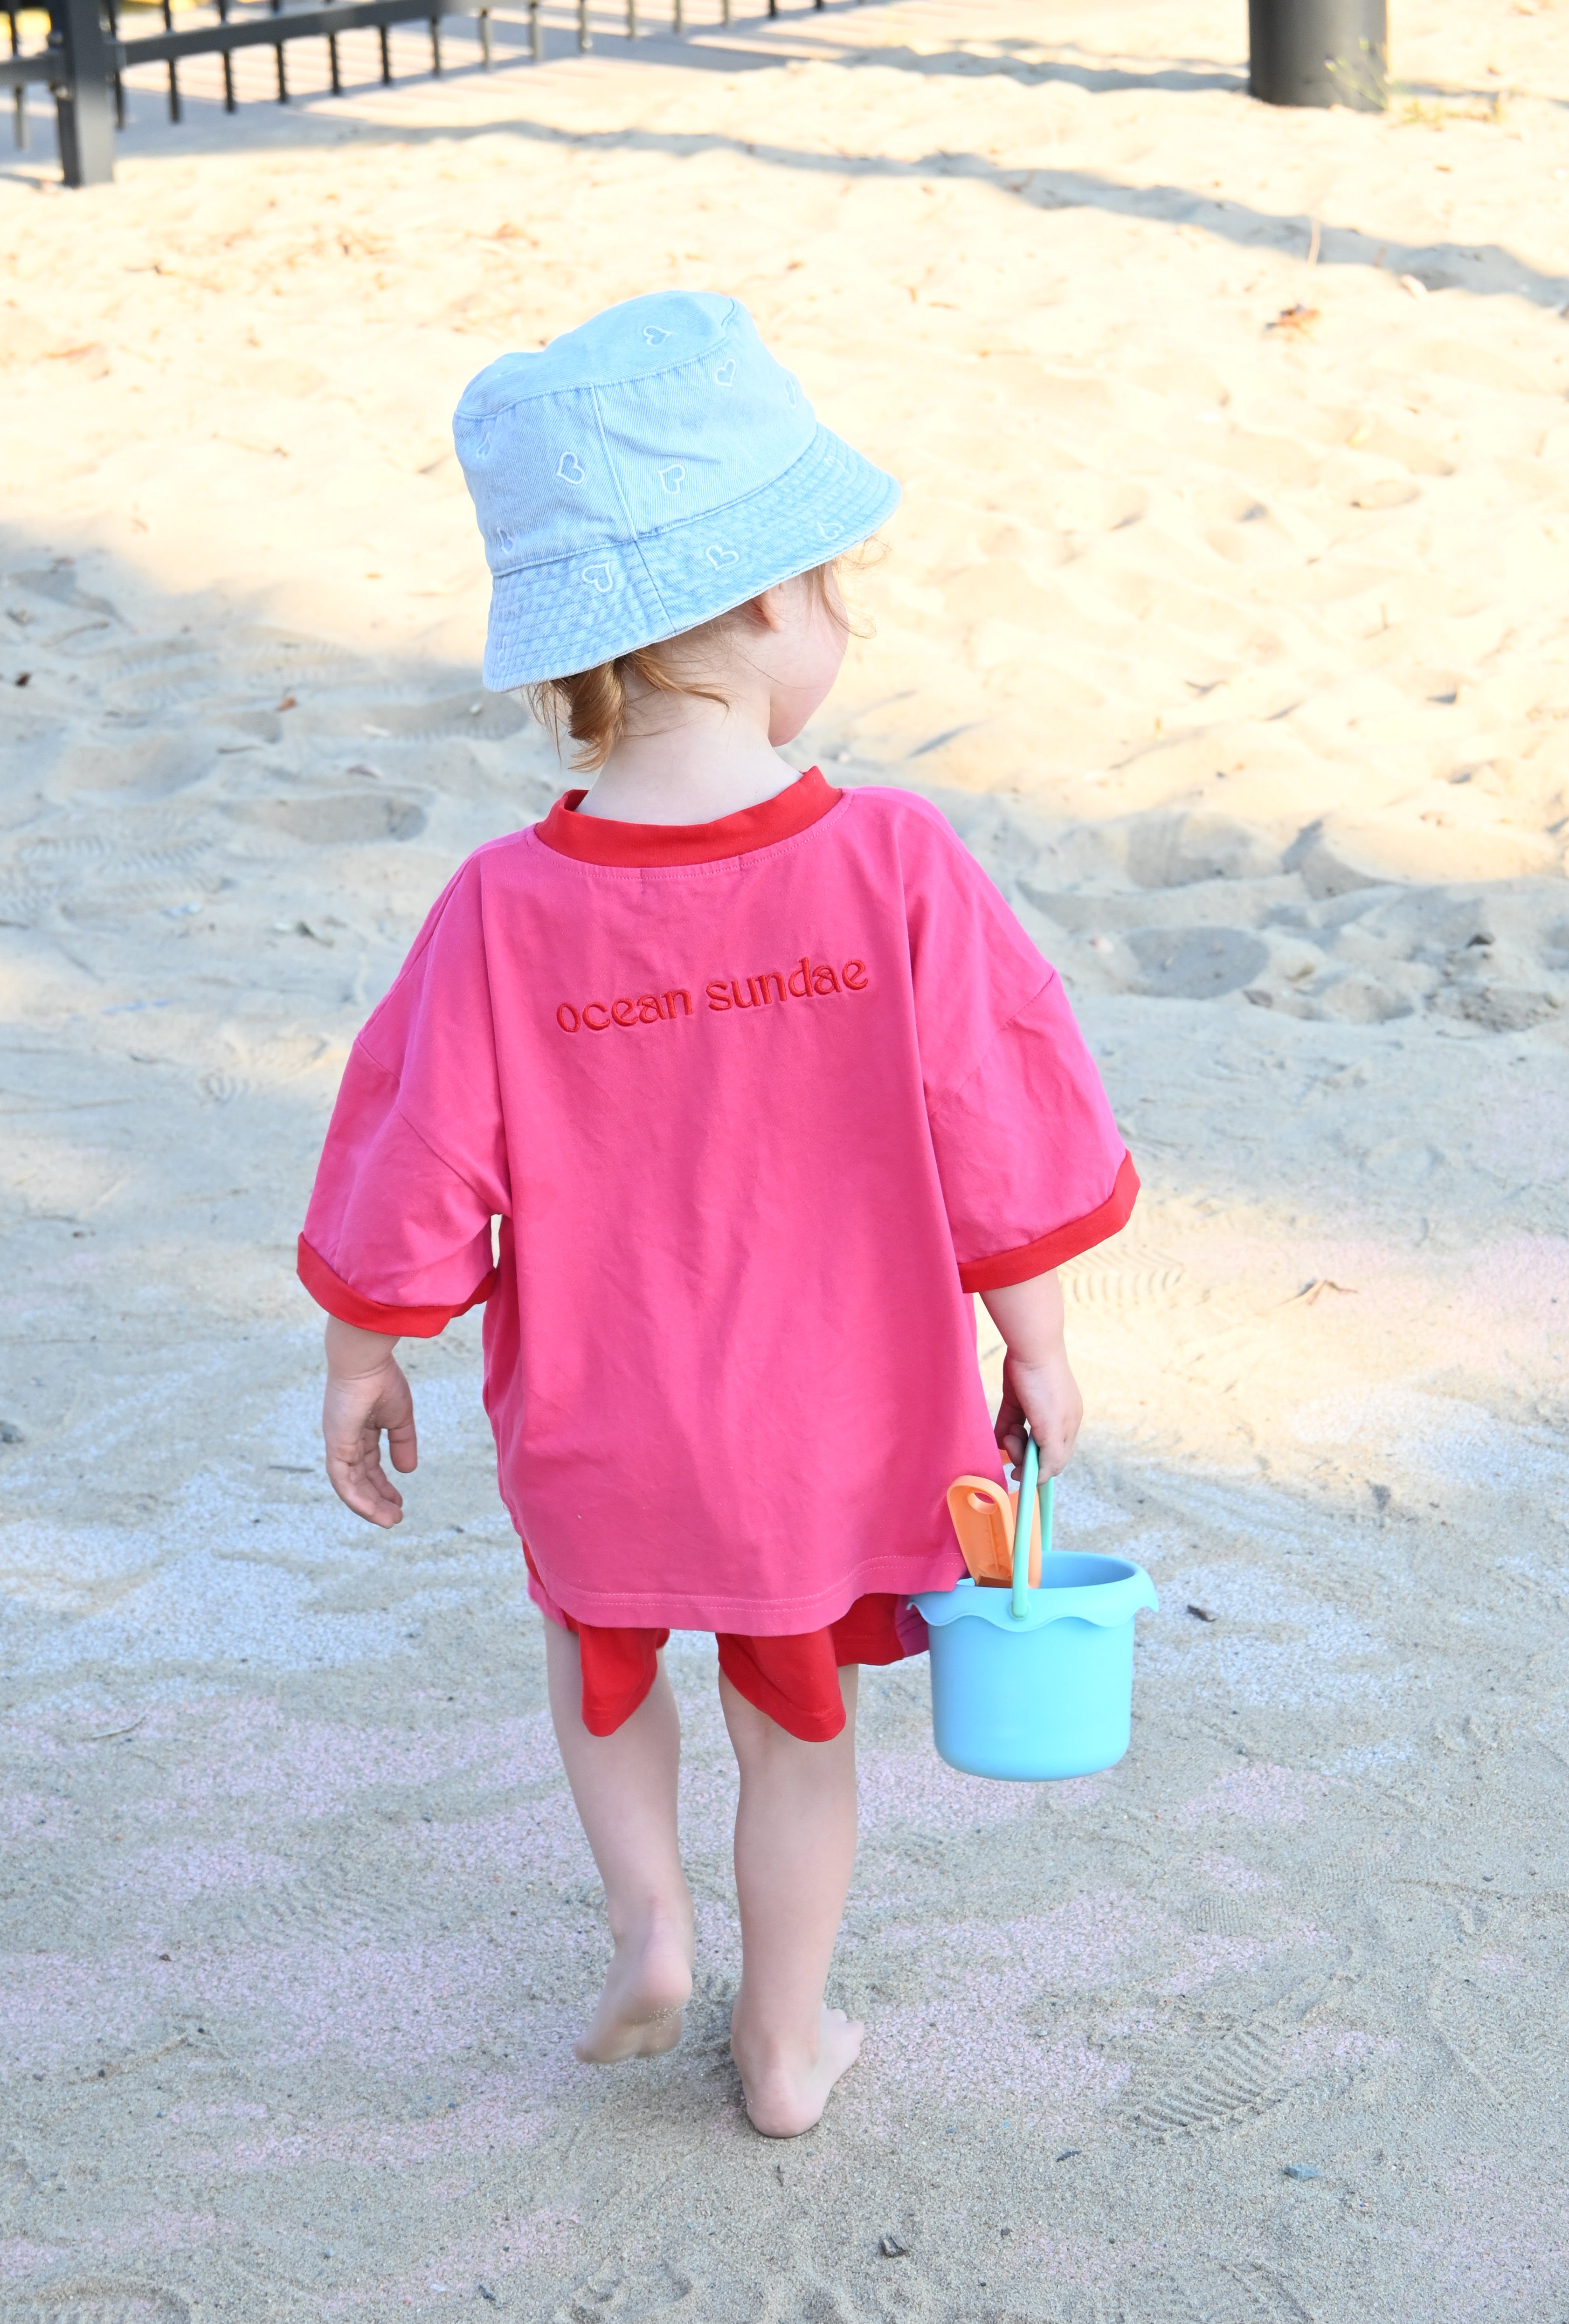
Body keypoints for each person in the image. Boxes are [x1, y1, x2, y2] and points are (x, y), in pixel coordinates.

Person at [299, 291, 1138, 2138]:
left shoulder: (503, 911)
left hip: (604, 1427)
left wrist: (366, 1349)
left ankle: (649, 1922)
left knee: (597, 1658)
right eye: (834, 589)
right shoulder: (893, 865)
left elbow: (413, 1156)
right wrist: (1041, 1343)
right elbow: (999, 1120)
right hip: (826, 1436)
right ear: (768, 605)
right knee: (795, 1723)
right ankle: (783, 2043)